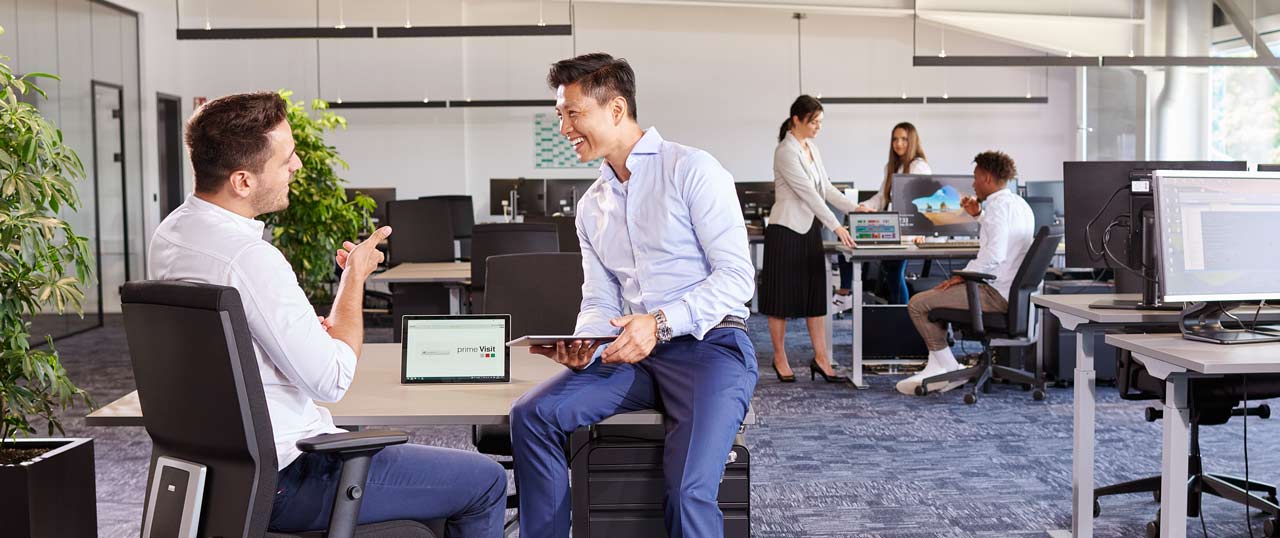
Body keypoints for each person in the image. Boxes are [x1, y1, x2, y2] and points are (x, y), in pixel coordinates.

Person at [149, 92, 507, 535]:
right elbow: (332, 380)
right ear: (242, 181)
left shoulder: (172, 235)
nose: (297, 167)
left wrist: (298, 337)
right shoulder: (248, 259)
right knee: (486, 481)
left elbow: (234, 344)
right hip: (292, 475)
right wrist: (354, 279)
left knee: (430, 501)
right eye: (287, 159)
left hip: (220, 472)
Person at [509, 53, 758, 538]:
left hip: (712, 348)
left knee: (688, 490)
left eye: (573, 113)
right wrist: (586, 343)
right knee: (533, 415)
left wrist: (660, 323)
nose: (564, 128)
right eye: (560, 115)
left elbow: (736, 278)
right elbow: (601, 299)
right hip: (633, 355)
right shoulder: (591, 206)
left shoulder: (692, 170)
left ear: (616, 109)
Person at [898, 150, 1034, 396]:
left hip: (994, 294)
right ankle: (937, 366)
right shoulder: (1018, 204)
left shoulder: (998, 209)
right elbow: (1001, 235)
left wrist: (962, 275)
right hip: (1013, 294)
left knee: (918, 304)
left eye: (976, 177)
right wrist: (979, 216)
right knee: (933, 300)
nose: (973, 183)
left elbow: (995, 255)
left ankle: (948, 367)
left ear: (987, 178)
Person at [758, 95, 856, 383]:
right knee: (781, 299)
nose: (817, 128)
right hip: (785, 231)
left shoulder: (811, 147)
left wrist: (856, 208)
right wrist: (837, 226)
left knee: (815, 297)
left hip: (809, 229)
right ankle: (779, 357)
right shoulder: (785, 151)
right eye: (813, 122)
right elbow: (808, 195)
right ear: (796, 120)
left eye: (820, 122)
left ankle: (821, 359)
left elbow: (825, 188)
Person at [841, 122, 933, 307]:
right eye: (895, 139)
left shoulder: (919, 166)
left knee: (894, 274)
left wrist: (919, 231)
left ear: (912, 141)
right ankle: (847, 292)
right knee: (888, 272)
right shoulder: (892, 166)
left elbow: (922, 203)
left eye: (904, 139)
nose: (898, 143)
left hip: (908, 231)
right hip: (893, 229)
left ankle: (902, 317)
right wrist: (861, 207)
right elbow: (882, 197)